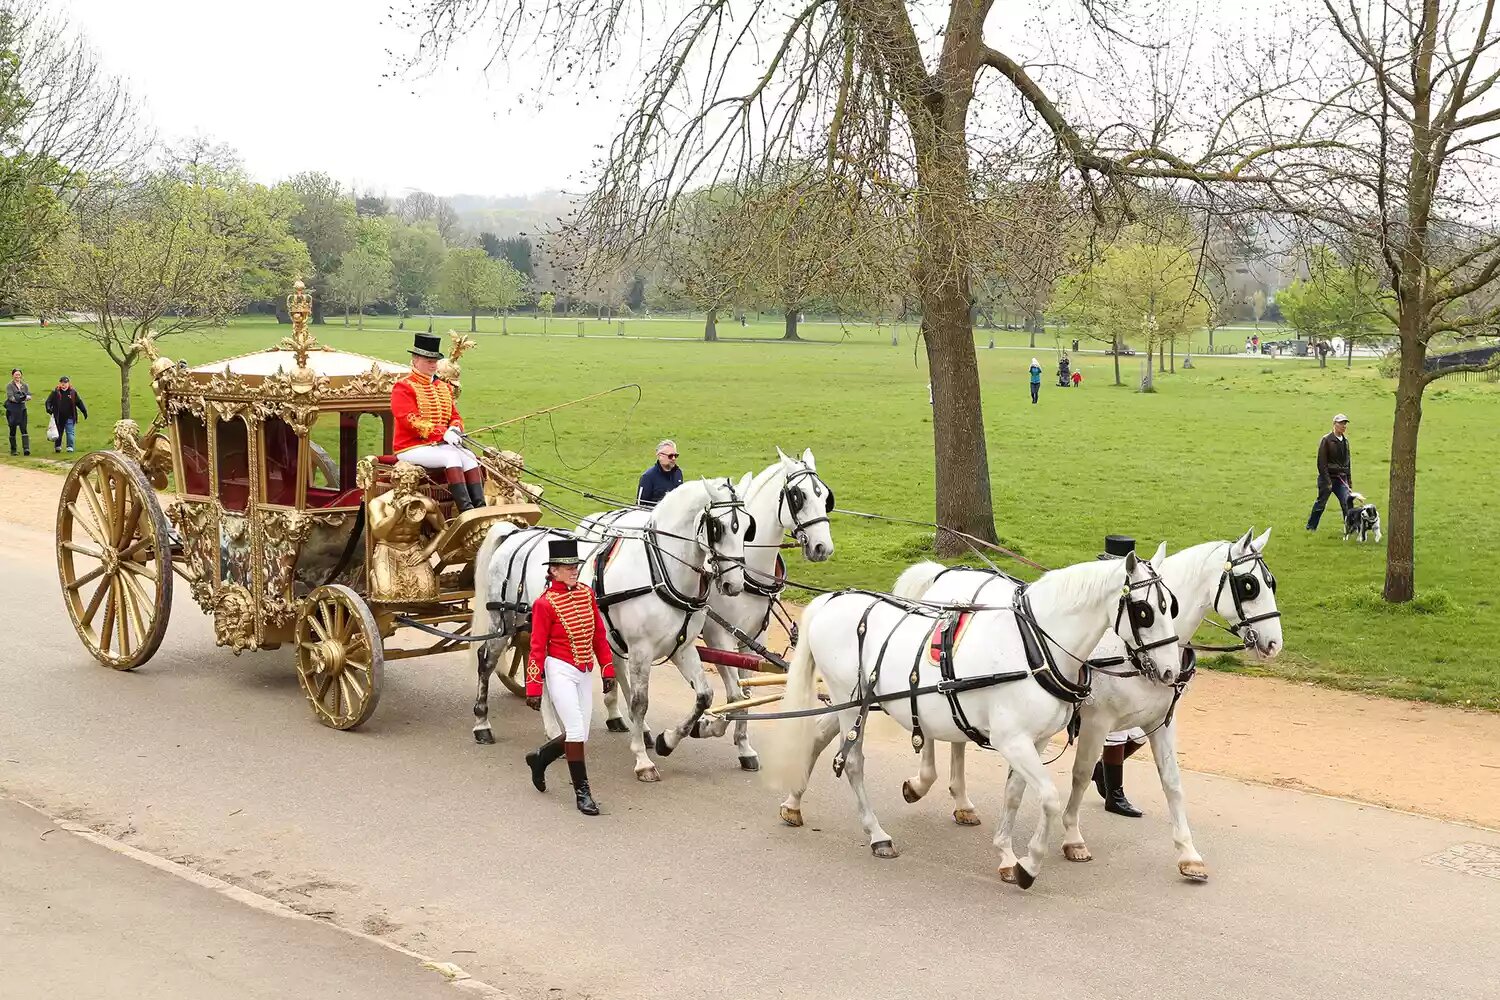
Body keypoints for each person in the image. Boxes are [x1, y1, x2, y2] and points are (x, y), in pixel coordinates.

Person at [525, 538, 616, 816]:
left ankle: (540, 758)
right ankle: (583, 793)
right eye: (567, 567)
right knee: (576, 731)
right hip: (559, 668)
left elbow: (599, 634)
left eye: (575, 566)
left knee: (582, 733)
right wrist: (533, 686)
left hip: (584, 669)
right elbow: (537, 647)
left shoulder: (587, 594)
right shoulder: (544, 603)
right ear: (553, 571)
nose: (574, 570)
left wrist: (607, 667)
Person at [390, 333, 485, 512]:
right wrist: (443, 433)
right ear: (415, 360)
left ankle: (480, 508)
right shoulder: (403, 387)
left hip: (439, 445)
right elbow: (410, 420)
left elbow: (454, 415)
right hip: (411, 447)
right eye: (428, 360)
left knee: (470, 457)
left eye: (435, 360)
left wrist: (455, 428)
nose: (433, 365)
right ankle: (466, 510)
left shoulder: (444, 387)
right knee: (452, 457)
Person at [1092, 534, 1147, 818]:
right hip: (1098, 663)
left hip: (1123, 658)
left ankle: (1100, 769)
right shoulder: (1098, 588)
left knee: (1141, 732)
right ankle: (1114, 794)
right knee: (1118, 731)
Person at [1306, 413, 1354, 531]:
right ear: (1334, 424)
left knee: (1347, 503)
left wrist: (1349, 480)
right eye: (1341, 423)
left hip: (1341, 478)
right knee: (1321, 504)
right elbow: (1321, 462)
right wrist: (1327, 481)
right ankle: (1311, 527)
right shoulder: (1326, 440)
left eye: (1345, 424)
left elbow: (1348, 462)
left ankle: (1349, 528)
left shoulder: (1345, 441)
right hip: (1327, 478)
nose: (1343, 426)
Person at [43, 376, 87, 454]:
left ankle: (70, 447)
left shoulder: (73, 392)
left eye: (65, 383)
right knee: (58, 433)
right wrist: (49, 410)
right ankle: (58, 446)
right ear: (60, 384)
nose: (64, 385)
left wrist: (84, 411)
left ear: (68, 383)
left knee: (70, 432)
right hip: (59, 417)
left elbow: (79, 402)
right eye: (62, 383)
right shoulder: (55, 392)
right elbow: (48, 402)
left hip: (70, 416)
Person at [636, 439, 683, 506]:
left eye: (675, 456)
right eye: (670, 456)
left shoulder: (678, 473)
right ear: (660, 456)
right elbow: (639, 505)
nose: (673, 458)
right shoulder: (648, 477)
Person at [6, 368, 31, 456]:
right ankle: (14, 450)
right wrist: (18, 399)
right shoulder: (10, 385)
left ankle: (26, 449)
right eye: (16, 374)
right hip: (12, 410)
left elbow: (29, 395)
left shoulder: (25, 385)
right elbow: (10, 397)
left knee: (24, 428)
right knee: (12, 429)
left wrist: (27, 397)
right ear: (12, 375)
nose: (17, 376)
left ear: (21, 375)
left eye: (19, 374)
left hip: (22, 409)